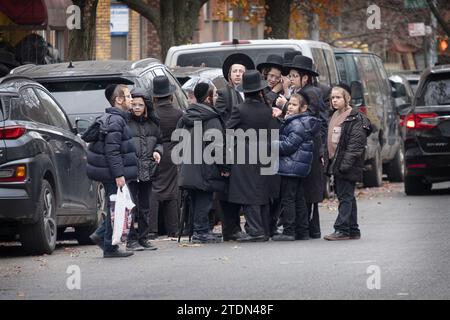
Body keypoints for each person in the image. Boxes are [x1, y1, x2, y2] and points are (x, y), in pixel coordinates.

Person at [280, 55, 329, 239]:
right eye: (290, 75)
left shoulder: (311, 93)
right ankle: (309, 229)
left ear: (305, 77)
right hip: (309, 148)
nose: (290, 79)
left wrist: (284, 105)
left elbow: (310, 120)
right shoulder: (306, 91)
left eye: (293, 75)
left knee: (306, 192)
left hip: (310, 149)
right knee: (304, 192)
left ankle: (308, 229)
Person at [87, 84, 137, 258]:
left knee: (115, 207)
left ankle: (103, 237)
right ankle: (107, 244)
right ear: (119, 100)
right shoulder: (116, 120)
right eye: (129, 96)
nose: (132, 99)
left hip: (109, 172)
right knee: (117, 207)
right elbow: (112, 150)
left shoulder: (117, 118)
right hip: (112, 173)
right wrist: (118, 175)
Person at [177, 82, 230, 243]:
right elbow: (216, 146)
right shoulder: (211, 118)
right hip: (205, 167)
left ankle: (198, 229)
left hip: (188, 166)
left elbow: (178, 140)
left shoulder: (186, 116)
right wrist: (225, 166)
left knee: (195, 198)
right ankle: (201, 232)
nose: (215, 98)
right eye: (213, 95)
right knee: (204, 199)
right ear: (208, 98)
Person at [226, 70, 274, 242]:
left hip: (245, 155)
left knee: (247, 192)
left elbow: (228, 130)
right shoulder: (267, 109)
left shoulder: (240, 109)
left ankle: (255, 230)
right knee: (261, 191)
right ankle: (265, 229)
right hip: (265, 153)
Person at [215, 53, 255, 241]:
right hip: (230, 145)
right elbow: (221, 121)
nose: (238, 74)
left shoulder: (251, 93)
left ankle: (240, 227)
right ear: (229, 75)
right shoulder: (225, 93)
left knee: (240, 188)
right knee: (227, 190)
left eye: (241, 71)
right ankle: (230, 229)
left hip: (246, 147)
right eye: (235, 71)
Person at [324, 85, 372, 241]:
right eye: (332, 98)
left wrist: (344, 165)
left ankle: (342, 229)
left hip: (347, 164)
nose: (334, 100)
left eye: (338, 97)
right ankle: (353, 229)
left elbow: (355, 145)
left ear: (347, 99)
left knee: (345, 196)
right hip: (336, 162)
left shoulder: (355, 117)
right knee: (347, 196)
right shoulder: (333, 115)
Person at [272, 93, 319, 241]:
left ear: (303, 108)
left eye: (294, 105)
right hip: (297, 166)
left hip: (291, 166)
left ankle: (289, 231)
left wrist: (271, 144)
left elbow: (288, 146)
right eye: (289, 104)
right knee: (298, 198)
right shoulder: (299, 121)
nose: (290, 107)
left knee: (288, 199)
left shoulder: (297, 123)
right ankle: (302, 231)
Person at [125, 88, 163, 251]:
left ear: (146, 106)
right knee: (131, 205)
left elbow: (160, 142)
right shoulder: (126, 123)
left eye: (140, 104)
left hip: (148, 169)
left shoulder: (153, 124)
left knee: (145, 206)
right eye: (134, 104)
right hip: (131, 169)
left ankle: (144, 237)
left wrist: (158, 151)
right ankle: (131, 238)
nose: (137, 107)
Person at [150, 76, 184, 239]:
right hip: (173, 153)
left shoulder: (152, 114)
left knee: (154, 189)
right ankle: (173, 228)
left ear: (154, 97)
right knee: (172, 190)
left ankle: (152, 229)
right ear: (170, 96)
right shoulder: (178, 114)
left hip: (155, 151)